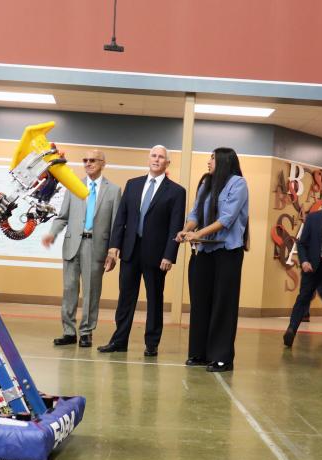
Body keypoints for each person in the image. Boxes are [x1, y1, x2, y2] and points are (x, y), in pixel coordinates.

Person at [99, 146, 186, 356]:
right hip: (130, 250)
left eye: (161, 157)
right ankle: (119, 340)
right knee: (126, 297)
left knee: (155, 299)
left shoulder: (176, 191)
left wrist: (169, 254)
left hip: (157, 256)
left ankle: (152, 344)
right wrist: (114, 247)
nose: (157, 159)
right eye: (154, 156)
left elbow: (176, 225)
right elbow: (121, 218)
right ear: (149, 159)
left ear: (167, 163)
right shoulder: (133, 184)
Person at [176, 148, 249, 372]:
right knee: (200, 302)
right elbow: (195, 213)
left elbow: (227, 218)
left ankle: (222, 358)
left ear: (224, 161)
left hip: (227, 252)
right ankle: (199, 353)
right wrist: (186, 230)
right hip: (204, 252)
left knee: (223, 304)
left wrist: (198, 234)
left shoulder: (238, 184)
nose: (209, 162)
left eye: (212, 158)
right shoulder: (206, 182)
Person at [42, 150, 122, 348]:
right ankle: (69, 331)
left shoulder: (113, 190)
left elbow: (116, 224)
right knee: (69, 289)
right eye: (85, 160)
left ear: (103, 163)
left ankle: (86, 332)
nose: (88, 163)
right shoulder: (73, 186)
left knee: (91, 291)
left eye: (92, 160)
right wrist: (53, 232)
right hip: (72, 244)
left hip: (96, 246)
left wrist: (113, 251)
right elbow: (62, 216)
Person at [283, 185, 322, 348]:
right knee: (303, 298)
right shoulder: (313, 218)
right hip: (312, 266)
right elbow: (302, 244)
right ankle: (291, 330)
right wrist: (304, 261)